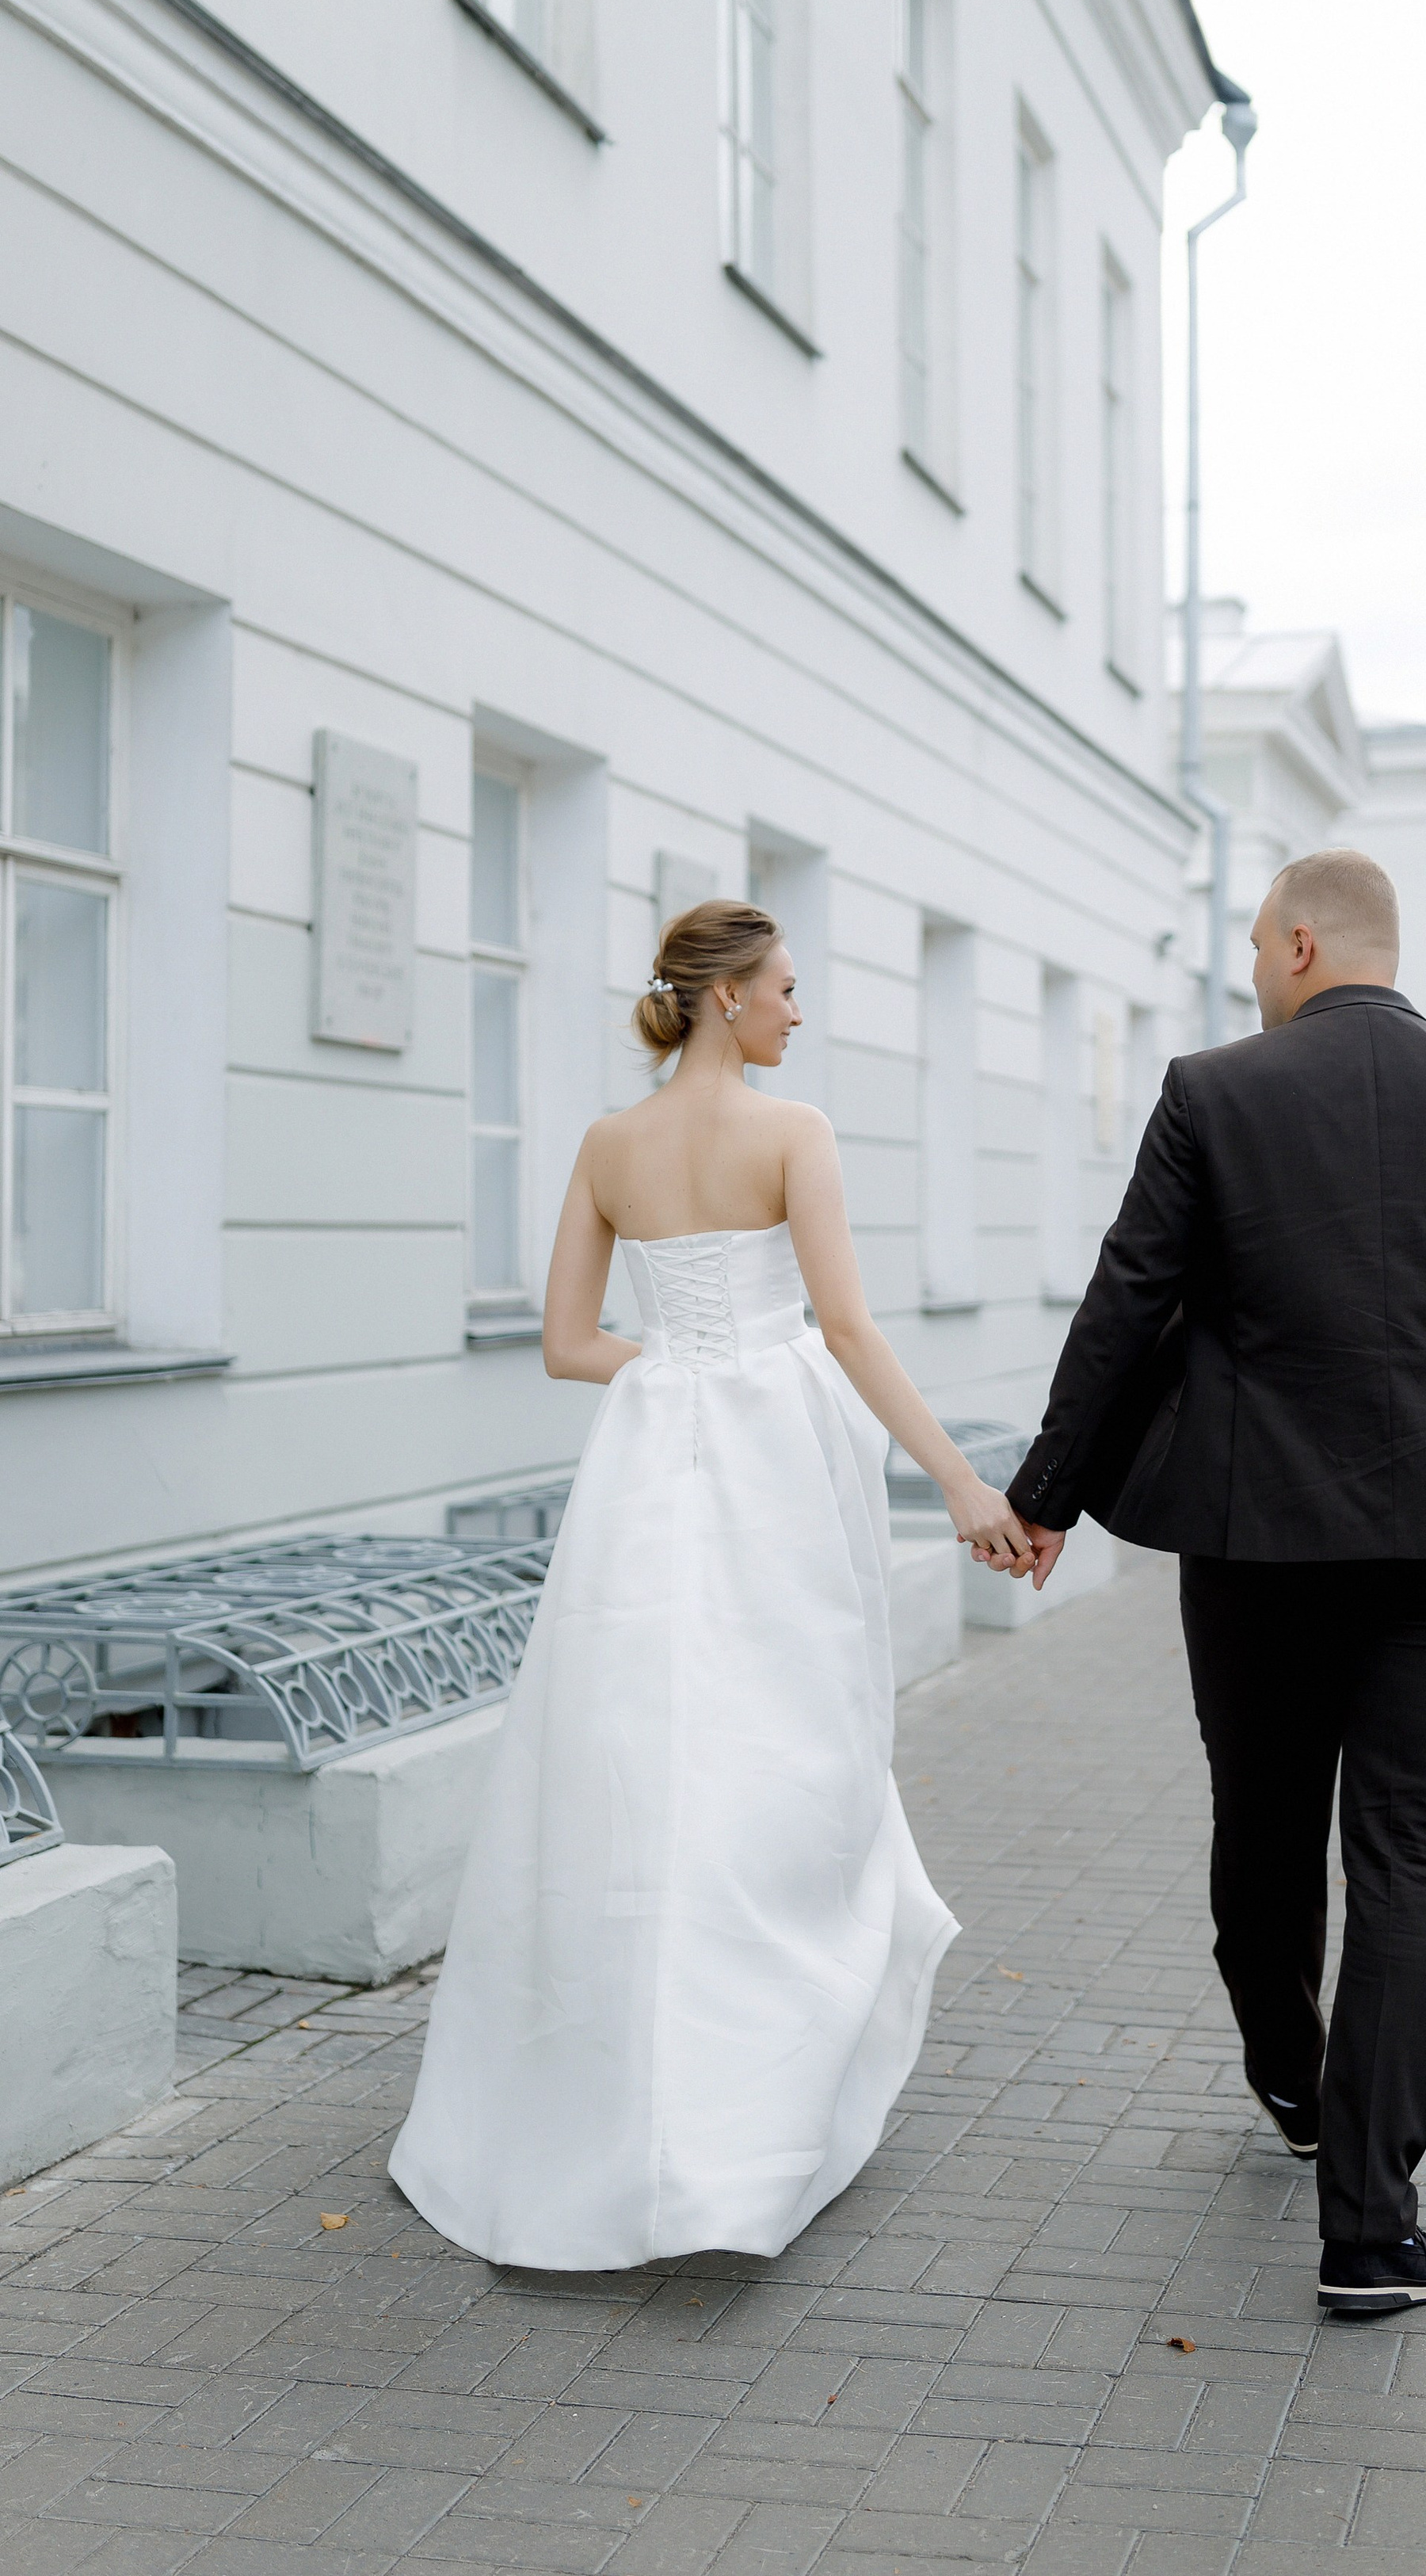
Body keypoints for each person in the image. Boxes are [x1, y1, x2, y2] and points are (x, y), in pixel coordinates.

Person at [390, 900, 1032, 2271]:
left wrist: (681, 1371)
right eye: (790, 989)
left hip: (647, 1474)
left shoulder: (609, 1147)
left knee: (634, 1750)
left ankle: (613, 2102)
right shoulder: (793, 1136)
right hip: (772, 1475)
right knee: (777, 1746)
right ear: (727, 998)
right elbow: (847, 1327)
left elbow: (569, 1344)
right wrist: (963, 1487)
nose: (803, 1011)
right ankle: (750, 2104)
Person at [1003, 849, 1426, 2317]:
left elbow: (1125, 1303)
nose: (1250, 973)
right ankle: (1372, 2235)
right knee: (1415, 1859)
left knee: (1265, 1824)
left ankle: (1290, 2073)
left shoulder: (1214, 1093)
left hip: (1257, 1539)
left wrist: (1044, 1498)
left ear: (1310, 945)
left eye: (1260, 947)